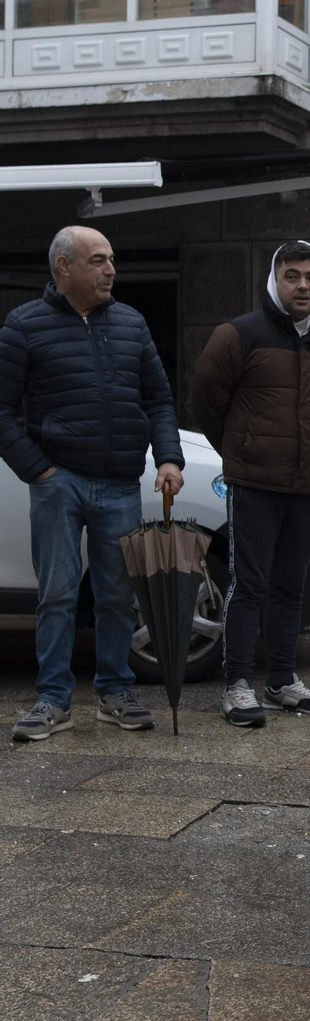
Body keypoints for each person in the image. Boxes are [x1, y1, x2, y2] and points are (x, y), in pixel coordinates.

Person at [1, 226, 184, 742]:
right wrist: (38, 469)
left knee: (116, 596)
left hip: (122, 484)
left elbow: (158, 400)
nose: (111, 270)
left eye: (111, 259)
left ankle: (114, 693)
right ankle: (52, 699)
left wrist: (168, 458)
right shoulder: (24, 325)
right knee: (57, 595)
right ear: (64, 267)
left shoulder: (131, 323)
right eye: (98, 260)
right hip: (59, 482)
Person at [190, 241, 310, 728]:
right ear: (275, 281)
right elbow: (206, 402)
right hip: (254, 483)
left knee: (291, 585)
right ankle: (238, 685)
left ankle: (283, 680)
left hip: (307, 487)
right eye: (291, 276)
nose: (302, 285)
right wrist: (242, 450)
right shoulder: (239, 335)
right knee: (249, 583)